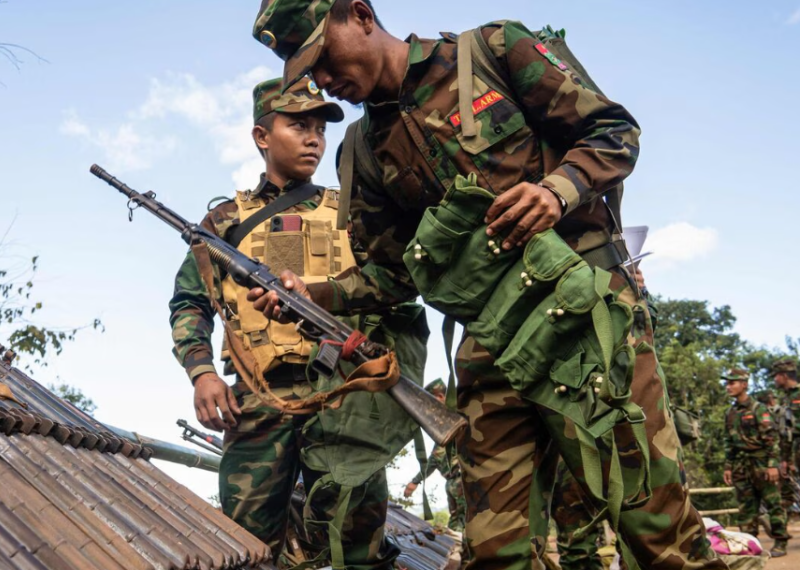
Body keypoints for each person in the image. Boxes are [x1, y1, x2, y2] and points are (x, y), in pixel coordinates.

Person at [247, 1, 722, 567]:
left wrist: (558, 190)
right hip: (493, 342)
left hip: (584, 320)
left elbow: (615, 131)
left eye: (324, 56)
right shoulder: (363, 151)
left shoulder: (494, 51)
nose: (324, 81)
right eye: (309, 73)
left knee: (658, 532)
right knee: (495, 552)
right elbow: (393, 275)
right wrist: (313, 295)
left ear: (361, 15)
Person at [167, 76, 408, 569]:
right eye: (298, 125)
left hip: (345, 397)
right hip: (257, 401)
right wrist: (202, 372)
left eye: (319, 127)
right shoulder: (224, 223)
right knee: (246, 549)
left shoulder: (352, 212)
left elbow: (392, 286)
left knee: (359, 545)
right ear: (262, 136)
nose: (314, 137)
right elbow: (189, 302)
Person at [722, 369, 790, 556]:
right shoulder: (730, 412)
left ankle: (780, 542)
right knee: (746, 506)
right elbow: (728, 441)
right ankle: (749, 544)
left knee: (773, 503)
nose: (728, 386)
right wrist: (728, 466)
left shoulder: (759, 409)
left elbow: (772, 438)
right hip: (740, 465)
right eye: (727, 383)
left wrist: (772, 464)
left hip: (761, 462)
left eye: (732, 382)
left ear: (744, 384)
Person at [403, 379, 465, 532]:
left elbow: (435, 458)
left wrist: (415, 481)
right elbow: (436, 458)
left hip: (462, 479)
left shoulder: (458, 416)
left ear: (440, 397)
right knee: (456, 523)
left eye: (432, 402)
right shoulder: (447, 421)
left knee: (465, 522)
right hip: (453, 481)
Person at [772, 358, 800, 518]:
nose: (775, 379)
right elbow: (785, 433)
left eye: (776, 375)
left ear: (784, 375)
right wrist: (786, 459)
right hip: (793, 454)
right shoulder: (785, 399)